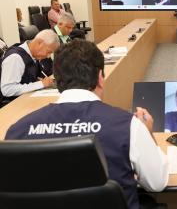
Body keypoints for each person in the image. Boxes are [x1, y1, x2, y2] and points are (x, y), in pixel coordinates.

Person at [5, 40, 168, 209]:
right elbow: (157, 183)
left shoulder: (17, 131)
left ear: (57, 80)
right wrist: (148, 134)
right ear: (100, 78)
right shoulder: (128, 126)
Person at [0, 29, 59, 100]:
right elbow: (7, 90)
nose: (48, 56)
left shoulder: (32, 55)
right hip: (11, 104)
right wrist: (41, 84)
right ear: (39, 43)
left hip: (26, 98)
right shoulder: (15, 58)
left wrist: (39, 81)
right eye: (48, 52)